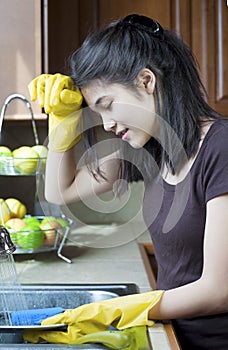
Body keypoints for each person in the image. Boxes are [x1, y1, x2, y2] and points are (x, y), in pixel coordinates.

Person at [26, 14, 228, 350]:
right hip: (171, 336)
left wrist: (122, 309)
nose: (105, 124)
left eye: (107, 105)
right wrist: (62, 119)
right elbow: (59, 192)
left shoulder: (220, 148)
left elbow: (219, 291)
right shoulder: (153, 148)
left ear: (146, 81)